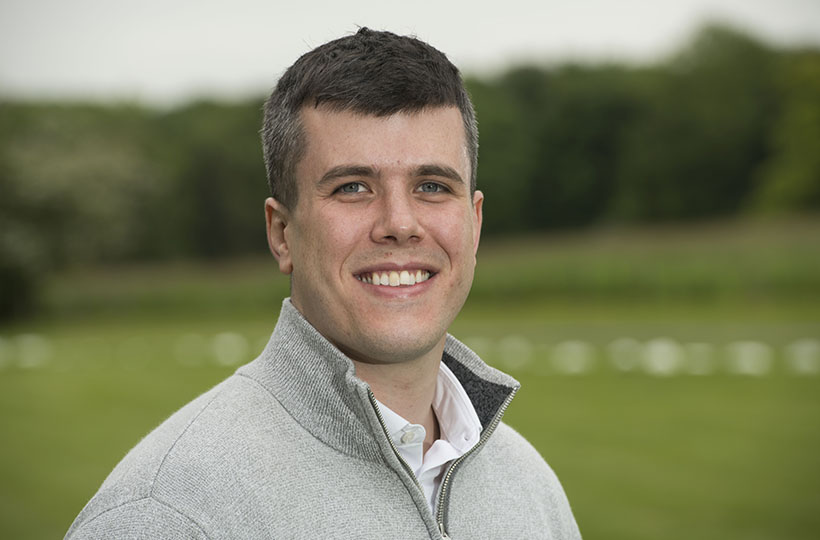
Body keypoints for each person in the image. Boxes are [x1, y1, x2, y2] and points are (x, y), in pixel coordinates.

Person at [66, 28, 581, 539]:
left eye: (432, 186)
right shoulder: (167, 514)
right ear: (282, 233)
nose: (400, 223)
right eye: (353, 187)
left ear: (475, 223)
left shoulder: (531, 487)